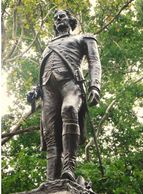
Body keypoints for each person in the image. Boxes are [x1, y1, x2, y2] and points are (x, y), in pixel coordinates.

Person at [39, 9, 102, 182]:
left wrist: (95, 86)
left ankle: (69, 167)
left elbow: (94, 62)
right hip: (47, 89)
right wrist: (35, 90)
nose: (58, 19)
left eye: (62, 16)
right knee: (50, 133)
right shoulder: (47, 47)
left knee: (69, 109)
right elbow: (42, 71)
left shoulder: (83, 38)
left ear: (70, 20)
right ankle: (51, 179)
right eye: (56, 18)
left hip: (71, 84)